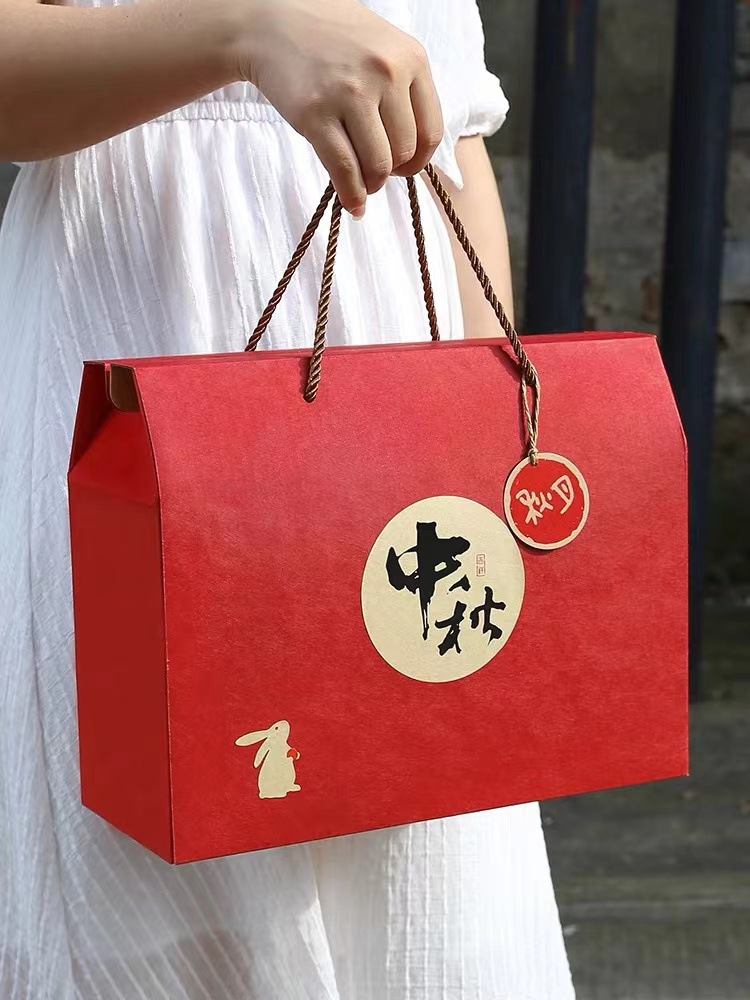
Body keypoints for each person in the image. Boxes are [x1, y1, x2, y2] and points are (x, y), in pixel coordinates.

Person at [0, 1, 575, 997]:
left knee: (417, 883)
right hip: (141, 366)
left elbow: (455, 143)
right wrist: (243, 32)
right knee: (158, 880)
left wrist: (486, 442)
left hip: (403, 412)